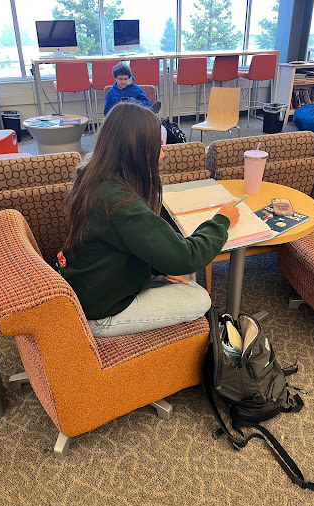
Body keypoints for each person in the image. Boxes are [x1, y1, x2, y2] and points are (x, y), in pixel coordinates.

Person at [58, 102, 239, 338]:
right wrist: (221, 221)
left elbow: (134, 241)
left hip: (93, 284)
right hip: (101, 313)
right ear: (136, 149)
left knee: (181, 272)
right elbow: (188, 256)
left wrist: (160, 270)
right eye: (157, 147)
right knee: (198, 297)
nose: (162, 154)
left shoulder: (93, 174)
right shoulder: (119, 203)